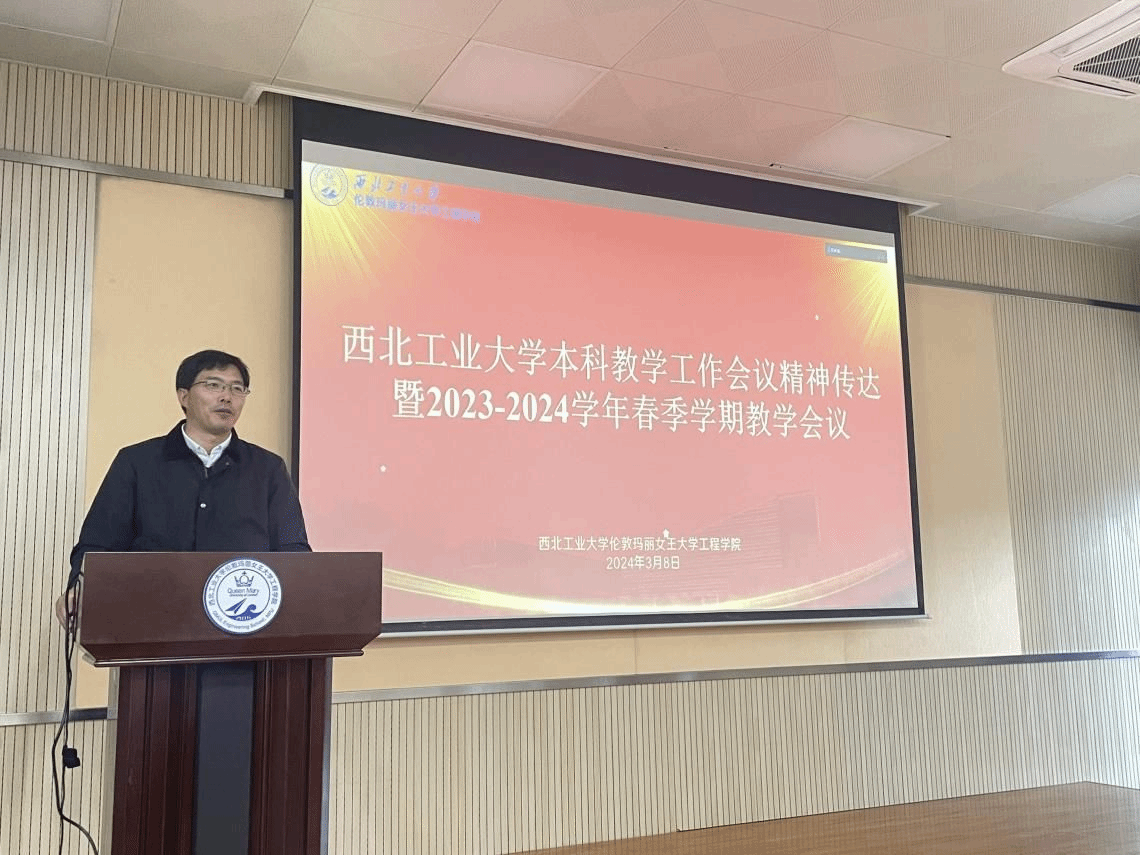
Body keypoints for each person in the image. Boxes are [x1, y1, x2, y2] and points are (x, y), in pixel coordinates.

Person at [57, 349, 310, 624]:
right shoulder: (137, 462)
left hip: (243, 628)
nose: (227, 397)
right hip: (150, 622)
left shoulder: (268, 468)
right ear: (184, 396)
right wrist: (79, 589)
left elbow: (293, 551)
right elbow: (98, 544)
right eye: (213, 385)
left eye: (237, 388)